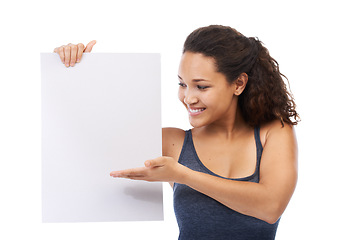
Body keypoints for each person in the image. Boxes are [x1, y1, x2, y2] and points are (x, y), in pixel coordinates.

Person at [54, 25, 299, 240]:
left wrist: (185, 175)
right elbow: (86, 146)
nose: (188, 98)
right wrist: (78, 72)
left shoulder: (272, 132)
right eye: (182, 84)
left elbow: (270, 206)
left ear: (238, 84)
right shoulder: (173, 143)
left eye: (201, 86)